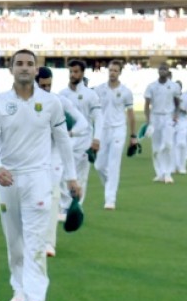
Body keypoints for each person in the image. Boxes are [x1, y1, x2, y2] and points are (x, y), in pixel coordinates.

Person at [0, 51, 80, 301]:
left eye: (29, 64)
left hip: (39, 178)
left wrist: (71, 177)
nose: (24, 68)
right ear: (10, 69)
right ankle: (18, 289)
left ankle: (34, 300)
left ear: (36, 70)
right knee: (15, 242)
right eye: (19, 63)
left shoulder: (51, 103)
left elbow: (63, 140)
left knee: (35, 242)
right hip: (8, 179)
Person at [36, 66, 88, 258]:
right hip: (32, 157)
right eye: (42, 86)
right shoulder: (25, 104)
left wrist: (70, 133)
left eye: (48, 85)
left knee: (53, 196)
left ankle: (49, 243)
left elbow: (83, 122)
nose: (46, 89)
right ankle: (34, 239)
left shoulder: (60, 101)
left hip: (55, 156)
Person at [94, 60, 138, 210]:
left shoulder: (126, 92)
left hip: (119, 129)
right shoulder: (99, 90)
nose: (112, 73)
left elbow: (131, 115)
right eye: (110, 70)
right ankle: (110, 187)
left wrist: (133, 136)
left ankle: (110, 199)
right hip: (103, 130)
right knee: (99, 165)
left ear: (120, 73)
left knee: (113, 164)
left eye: (115, 71)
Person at [58, 59, 101, 204]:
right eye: (70, 71)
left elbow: (98, 118)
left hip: (84, 141)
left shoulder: (91, 95)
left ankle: (76, 208)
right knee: (64, 174)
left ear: (82, 73)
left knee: (81, 177)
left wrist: (97, 139)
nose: (72, 74)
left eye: (76, 72)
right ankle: (64, 207)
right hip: (67, 140)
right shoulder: (62, 94)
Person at [144, 63, 181, 183]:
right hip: (155, 117)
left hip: (168, 117)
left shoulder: (174, 86)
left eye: (165, 69)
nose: (163, 71)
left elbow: (177, 103)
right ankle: (159, 173)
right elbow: (147, 105)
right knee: (155, 148)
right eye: (161, 69)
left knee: (168, 144)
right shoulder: (151, 86)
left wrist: (176, 115)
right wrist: (148, 122)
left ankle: (167, 173)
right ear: (158, 71)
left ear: (168, 71)